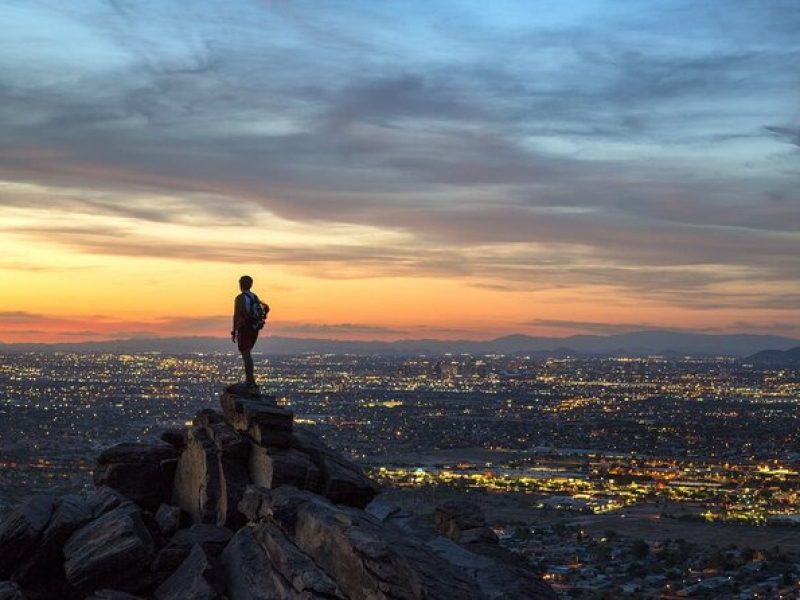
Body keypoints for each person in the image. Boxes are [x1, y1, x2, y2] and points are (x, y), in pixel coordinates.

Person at [231, 275, 267, 390]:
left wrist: (234, 330)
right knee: (248, 354)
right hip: (254, 328)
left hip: (245, 328)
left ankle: (250, 381)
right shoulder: (255, 297)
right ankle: (250, 380)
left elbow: (237, 315)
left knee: (246, 355)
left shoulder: (240, 298)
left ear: (240, 284)